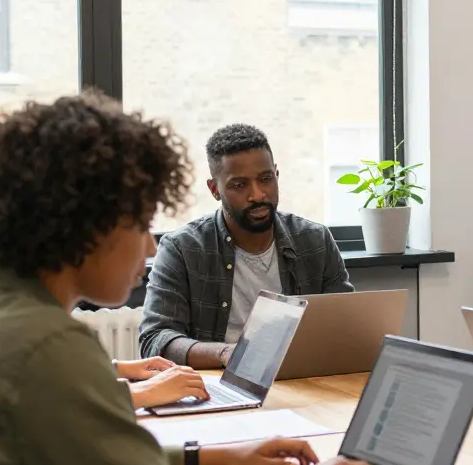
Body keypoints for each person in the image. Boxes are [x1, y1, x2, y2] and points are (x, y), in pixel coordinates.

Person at [0, 92, 378, 465]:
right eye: (140, 222)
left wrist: (214, 457)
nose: (149, 245)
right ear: (84, 226)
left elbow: (92, 462)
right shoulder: (46, 347)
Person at [0, 122, 207, 409]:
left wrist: (113, 370)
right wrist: (140, 394)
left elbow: (19, 384)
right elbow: (33, 408)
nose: (150, 247)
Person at [139, 123, 354, 368]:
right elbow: (155, 340)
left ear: (276, 174)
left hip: (301, 377)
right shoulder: (182, 248)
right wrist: (228, 354)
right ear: (214, 189)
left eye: (265, 179)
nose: (258, 194)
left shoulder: (315, 240)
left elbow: (344, 327)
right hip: (218, 381)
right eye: (240, 185)